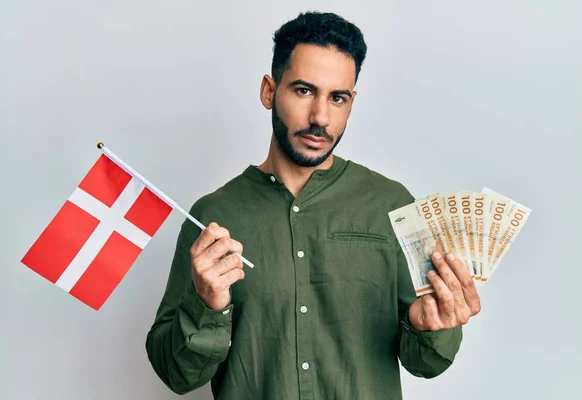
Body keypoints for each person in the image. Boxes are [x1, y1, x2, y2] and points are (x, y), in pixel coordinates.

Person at [145, 11, 481, 400]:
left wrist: (429, 328)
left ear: (351, 103)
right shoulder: (212, 218)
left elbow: (426, 364)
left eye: (337, 98)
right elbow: (176, 374)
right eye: (304, 91)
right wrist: (205, 305)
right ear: (270, 91)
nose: (320, 117)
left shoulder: (393, 205)